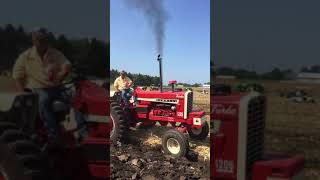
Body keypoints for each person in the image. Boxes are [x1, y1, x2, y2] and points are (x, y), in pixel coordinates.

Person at [12, 27, 88, 144]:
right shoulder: (26, 56)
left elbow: (66, 64)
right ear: (33, 40)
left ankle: (84, 134)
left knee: (77, 99)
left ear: (47, 40)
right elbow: (17, 75)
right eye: (38, 39)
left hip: (57, 87)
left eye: (43, 39)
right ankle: (53, 136)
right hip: (38, 89)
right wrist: (21, 92)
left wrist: (62, 73)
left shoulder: (55, 54)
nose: (41, 42)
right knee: (43, 101)